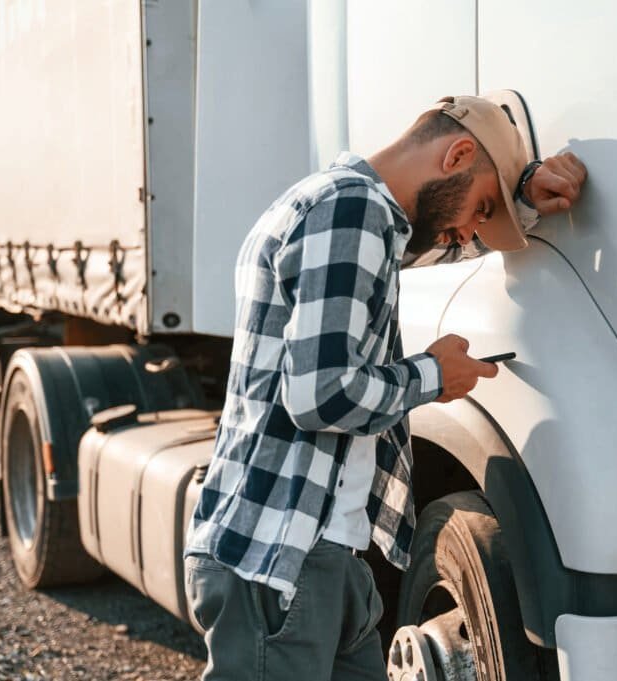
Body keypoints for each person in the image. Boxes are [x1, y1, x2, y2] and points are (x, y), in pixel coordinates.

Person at [184, 95, 587, 680]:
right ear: (458, 154)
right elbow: (320, 394)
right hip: (283, 556)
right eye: (481, 206)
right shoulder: (349, 211)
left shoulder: (346, 208)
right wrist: (433, 375)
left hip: (321, 554)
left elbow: (435, 240)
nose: (470, 229)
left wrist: (519, 194)